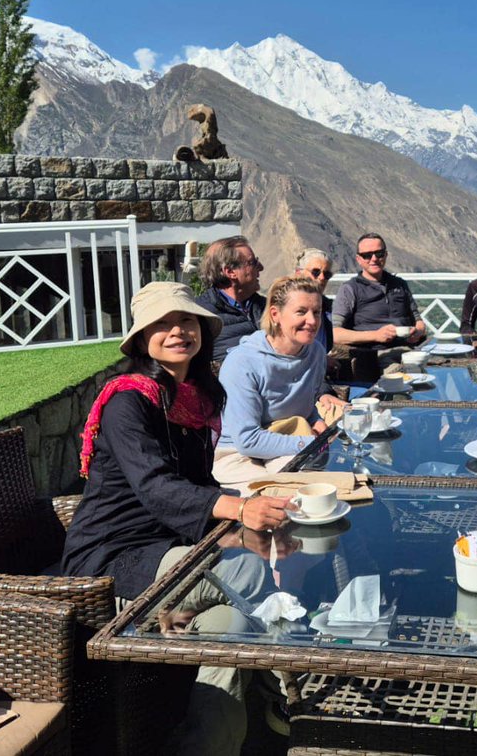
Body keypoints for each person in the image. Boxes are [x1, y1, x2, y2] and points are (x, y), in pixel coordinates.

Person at [61, 281, 289, 756]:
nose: (177, 330)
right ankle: (291, 679)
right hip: (111, 563)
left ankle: (210, 744)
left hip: (170, 550)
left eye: (186, 320)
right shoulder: (128, 401)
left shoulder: (195, 397)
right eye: (161, 324)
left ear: (202, 330)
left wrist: (258, 503)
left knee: (232, 624)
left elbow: (198, 486)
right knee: (247, 565)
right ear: (142, 339)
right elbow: (157, 488)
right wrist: (240, 508)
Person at [213, 275, 331, 486]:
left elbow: (303, 402)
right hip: (238, 452)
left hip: (288, 436)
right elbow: (247, 440)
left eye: (317, 312)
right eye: (301, 312)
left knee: (316, 484)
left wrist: (316, 420)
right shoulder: (243, 362)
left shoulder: (316, 353)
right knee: (278, 493)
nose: (312, 321)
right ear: (275, 314)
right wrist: (309, 442)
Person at [332, 233, 427, 346]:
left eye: (379, 253)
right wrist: (376, 335)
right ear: (358, 259)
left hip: (408, 349)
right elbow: (335, 333)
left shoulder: (400, 284)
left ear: (386, 255)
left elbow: (417, 320)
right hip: (373, 354)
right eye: (367, 255)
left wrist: (418, 332)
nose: (374, 259)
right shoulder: (350, 289)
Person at [195, 236, 266, 363]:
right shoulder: (201, 315)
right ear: (230, 272)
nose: (260, 267)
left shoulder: (269, 307)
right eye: (252, 263)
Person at [294, 248, 335, 352]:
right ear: (299, 272)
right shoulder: (285, 305)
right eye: (316, 272)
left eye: (326, 274)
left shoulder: (330, 309)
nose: (321, 278)